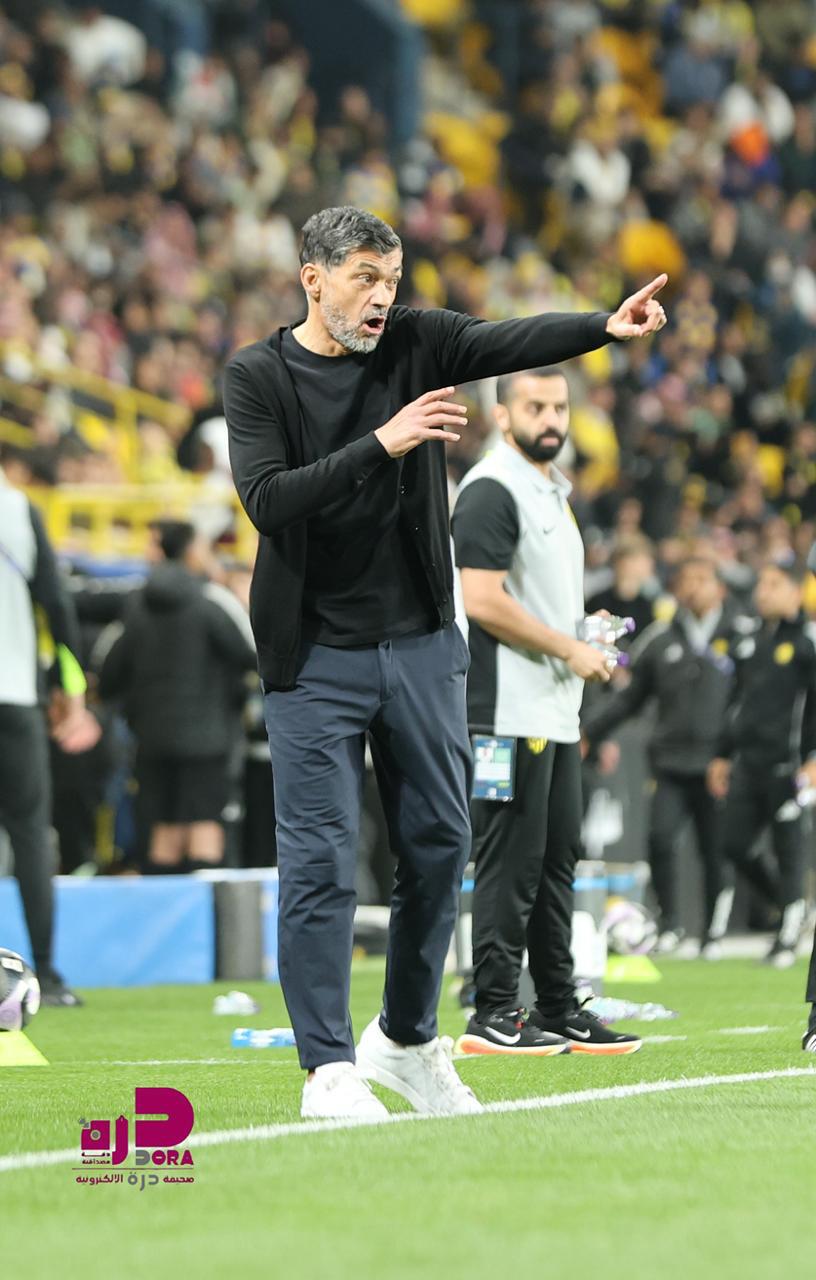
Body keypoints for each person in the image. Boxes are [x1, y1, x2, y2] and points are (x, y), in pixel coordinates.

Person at [223, 206, 666, 1116]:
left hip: (423, 645)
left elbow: (505, 339)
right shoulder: (258, 375)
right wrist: (382, 442)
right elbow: (268, 501)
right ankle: (327, 1067)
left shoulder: (416, 343)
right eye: (364, 278)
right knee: (321, 860)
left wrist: (602, 325)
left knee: (439, 845)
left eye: (391, 280)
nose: (382, 298)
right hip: (314, 656)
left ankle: (406, 1041)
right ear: (313, 279)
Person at [451, 366, 643, 1058]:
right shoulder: (492, 489)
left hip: (554, 713)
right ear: (502, 414)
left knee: (558, 860)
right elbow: (481, 599)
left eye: (559, 406)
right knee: (509, 860)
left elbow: (531, 599)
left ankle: (557, 1006)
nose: (551, 419)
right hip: (504, 715)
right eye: (535, 406)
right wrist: (568, 646)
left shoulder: (550, 491)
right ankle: (494, 1009)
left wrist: (582, 630)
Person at [582, 556, 750, 956]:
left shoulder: (742, 636)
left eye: (701, 578)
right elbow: (630, 697)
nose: (693, 587)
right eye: (686, 579)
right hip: (670, 762)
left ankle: (713, 930)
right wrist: (589, 732)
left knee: (715, 848)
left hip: (717, 764)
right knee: (660, 838)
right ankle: (671, 923)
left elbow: (752, 700)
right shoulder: (660, 638)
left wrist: (731, 753)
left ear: (719, 588)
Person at [98, 521, 256, 872]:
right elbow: (251, 658)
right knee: (205, 824)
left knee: (163, 829)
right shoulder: (209, 602)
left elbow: (110, 672)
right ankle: (210, 906)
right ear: (190, 551)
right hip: (207, 741)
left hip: (152, 739)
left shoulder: (137, 604)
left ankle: (167, 904)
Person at [0, 465, 92, 1006]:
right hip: (15, 694)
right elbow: (57, 602)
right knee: (31, 834)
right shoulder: (18, 508)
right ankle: (49, 976)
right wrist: (69, 686)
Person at [707, 561, 816, 968]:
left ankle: (787, 937)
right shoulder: (748, 640)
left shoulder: (808, 641)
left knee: (790, 849)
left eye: (774, 584)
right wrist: (722, 753)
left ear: (795, 590)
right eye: (761, 584)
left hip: (790, 765)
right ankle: (790, 907)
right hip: (748, 763)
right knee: (733, 844)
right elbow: (735, 702)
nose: (763, 592)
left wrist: (813, 759)